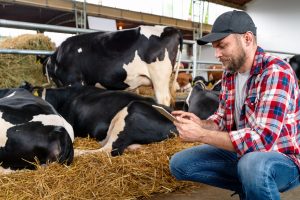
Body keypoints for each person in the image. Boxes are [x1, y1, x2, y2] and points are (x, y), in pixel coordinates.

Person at [169, 10, 300, 200]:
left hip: (283, 160)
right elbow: (223, 119)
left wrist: (201, 135)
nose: (216, 54)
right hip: (245, 155)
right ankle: (251, 188)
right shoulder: (231, 72)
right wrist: (200, 124)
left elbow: (262, 141)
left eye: (222, 46)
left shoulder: (276, 72)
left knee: (252, 165)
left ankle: (254, 183)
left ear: (247, 39)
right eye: (215, 47)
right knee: (180, 163)